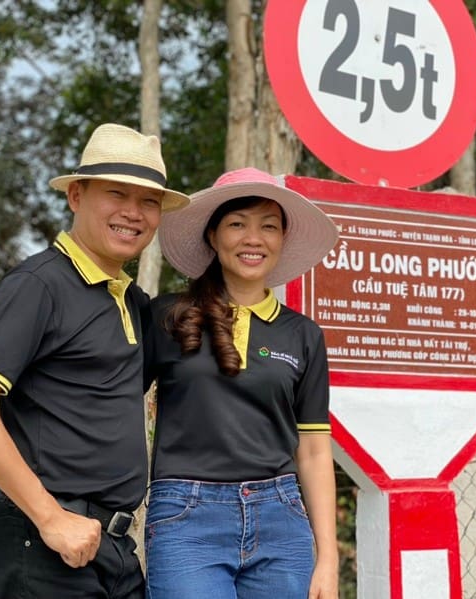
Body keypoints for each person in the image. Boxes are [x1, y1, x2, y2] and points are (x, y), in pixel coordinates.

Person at [0, 123, 190, 599]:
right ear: (76, 195)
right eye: (117, 193)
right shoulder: (40, 284)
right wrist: (50, 516)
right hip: (43, 543)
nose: (133, 212)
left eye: (149, 201)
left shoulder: (131, 302)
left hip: (112, 549)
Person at [143, 167, 341, 598]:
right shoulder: (166, 317)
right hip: (185, 518)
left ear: (282, 239)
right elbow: (110, 402)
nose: (254, 239)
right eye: (237, 224)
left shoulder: (304, 335)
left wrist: (328, 557)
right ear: (213, 236)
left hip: (282, 520)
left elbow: (313, 450)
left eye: (268, 226)